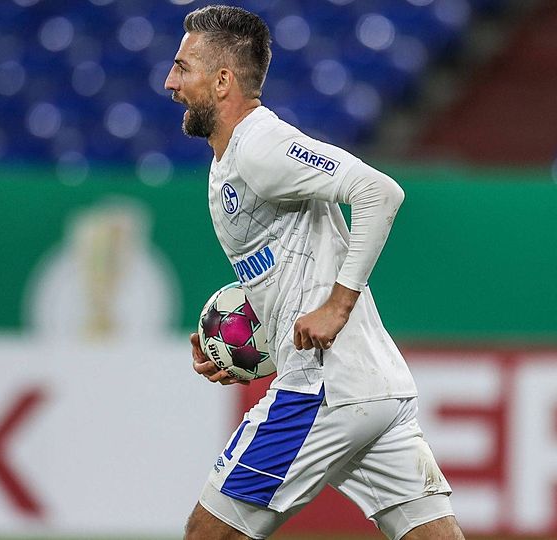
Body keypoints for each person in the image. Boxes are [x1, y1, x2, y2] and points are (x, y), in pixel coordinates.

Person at [165, 5, 464, 540]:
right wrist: (243, 349)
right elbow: (293, 268)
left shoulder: (260, 146)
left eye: (183, 68)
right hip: (372, 388)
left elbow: (379, 192)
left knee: (208, 534)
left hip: (322, 388)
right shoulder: (236, 156)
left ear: (223, 80)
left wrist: (338, 305)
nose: (171, 82)